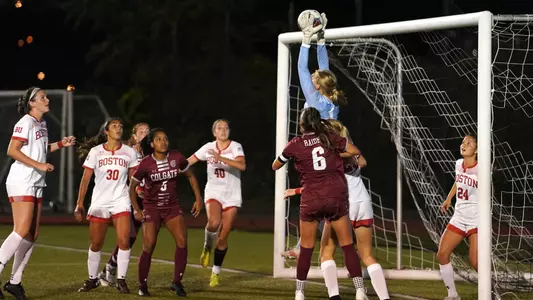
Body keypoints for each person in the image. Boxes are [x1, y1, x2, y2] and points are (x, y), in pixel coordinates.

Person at [285, 119, 390, 300]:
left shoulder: (328, 153)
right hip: (363, 202)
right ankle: (383, 297)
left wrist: (295, 191)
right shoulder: (349, 150)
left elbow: (318, 184)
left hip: (341, 202)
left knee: (326, 251)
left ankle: (334, 295)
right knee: (367, 255)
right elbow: (363, 162)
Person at [272, 107, 364, 300]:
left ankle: (299, 293)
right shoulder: (330, 138)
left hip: (311, 198)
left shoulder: (295, 143)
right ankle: (360, 291)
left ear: (302, 124)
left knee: (306, 249)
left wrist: (293, 157)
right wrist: (336, 156)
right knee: (347, 246)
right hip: (335, 197)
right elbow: (354, 151)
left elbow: (276, 165)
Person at [1, 87, 75, 300]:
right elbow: (12, 150)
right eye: (42, 97)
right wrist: (39, 165)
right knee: (22, 229)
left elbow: (40, 149)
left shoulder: (40, 123)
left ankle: (15, 282)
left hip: (35, 182)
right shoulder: (25, 122)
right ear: (32, 103)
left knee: (33, 233)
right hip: (21, 180)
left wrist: (61, 144)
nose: (47, 99)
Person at [130, 128, 203, 297]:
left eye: (165, 139)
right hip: (152, 208)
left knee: (182, 241)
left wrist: (198, 198)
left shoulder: (176, 157)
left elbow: (191, 176)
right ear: (152, 143)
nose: (163, 142)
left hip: (172, 207)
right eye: (158, 139)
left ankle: (176, 282)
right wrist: (136, 209)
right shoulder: (146, 163)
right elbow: (132, 187)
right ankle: (142, 284)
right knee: (149, 245)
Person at [74, 118, 139, 293]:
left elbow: (134, 179)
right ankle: (92, 279)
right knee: (96, 243)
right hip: (100, 201)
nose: (118, 129)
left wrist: (139, 195)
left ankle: (121, 280)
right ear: (106, 132)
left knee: (125, 240)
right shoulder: (96, 152)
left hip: (121, 200)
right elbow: (86, 178)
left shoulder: (129, 152)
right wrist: (79, 203)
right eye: (114, 126)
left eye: (120, 126)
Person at [187, 119, 246, 288]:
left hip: (232, 193)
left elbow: (242, 165)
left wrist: (220, 158)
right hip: (214, 191)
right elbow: (189, 160)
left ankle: (216, 272)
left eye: (226, 127)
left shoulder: (235, 146)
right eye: (219, 128)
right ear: (214, 132)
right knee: (213, 222)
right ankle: (207, 245)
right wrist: (172, 166)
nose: (223, 130)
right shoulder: (208, 147)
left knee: (222, 237)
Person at [98, 122, 150, 286]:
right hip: (127, 196)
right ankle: (112, 270)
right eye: (141, 131)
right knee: (129, 235)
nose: (145, 133)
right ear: (134, 135)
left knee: (133, 237)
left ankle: (110, 267)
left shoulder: (149, 151)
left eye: (147, 131)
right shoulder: (127, 150)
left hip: (144, 198)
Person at [437, 134, 478, 300]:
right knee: (442, 253)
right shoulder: (458, 164)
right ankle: (452, 294)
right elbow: (458, 181)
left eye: (469, 143)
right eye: (463, 142)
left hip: (476, 219)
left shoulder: (482, 169)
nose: (464, 145)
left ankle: (491, 292)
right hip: (459, 216)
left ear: (476, 150)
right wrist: (448, 198)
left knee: (475, 262)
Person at [298, 11, 347, 120]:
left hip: (322, 137)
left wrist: (306, 39)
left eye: (313, 76)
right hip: (333, 136)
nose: (312, 74)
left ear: (318, 86)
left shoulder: (316, 100)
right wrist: (320, 38)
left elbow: (302, 69)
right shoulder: (330, 98)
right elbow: (324, 66)